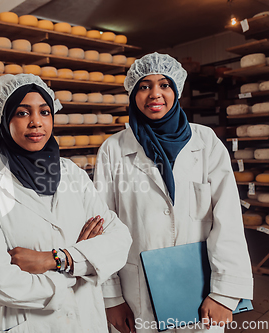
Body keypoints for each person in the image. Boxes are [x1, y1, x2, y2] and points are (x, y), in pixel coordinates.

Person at [94, 52, 253, 333]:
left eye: (164, 85)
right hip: (137, 292)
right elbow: (102, 225)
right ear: (133, 93)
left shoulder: (206, 142)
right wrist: (112, 297)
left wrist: (225, 294)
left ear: (176, 90)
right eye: (144, 86)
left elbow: (227, 218)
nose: (155, 94)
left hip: (201, 290)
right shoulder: (114, 149)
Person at [0, 74, 132, 333]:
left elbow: (119, 240)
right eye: (22, 113)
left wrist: (57, 259)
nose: (36, 122)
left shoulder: (72, 174)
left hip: (87, 320)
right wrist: (82, 268)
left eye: (44, 112)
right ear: (3, 119)